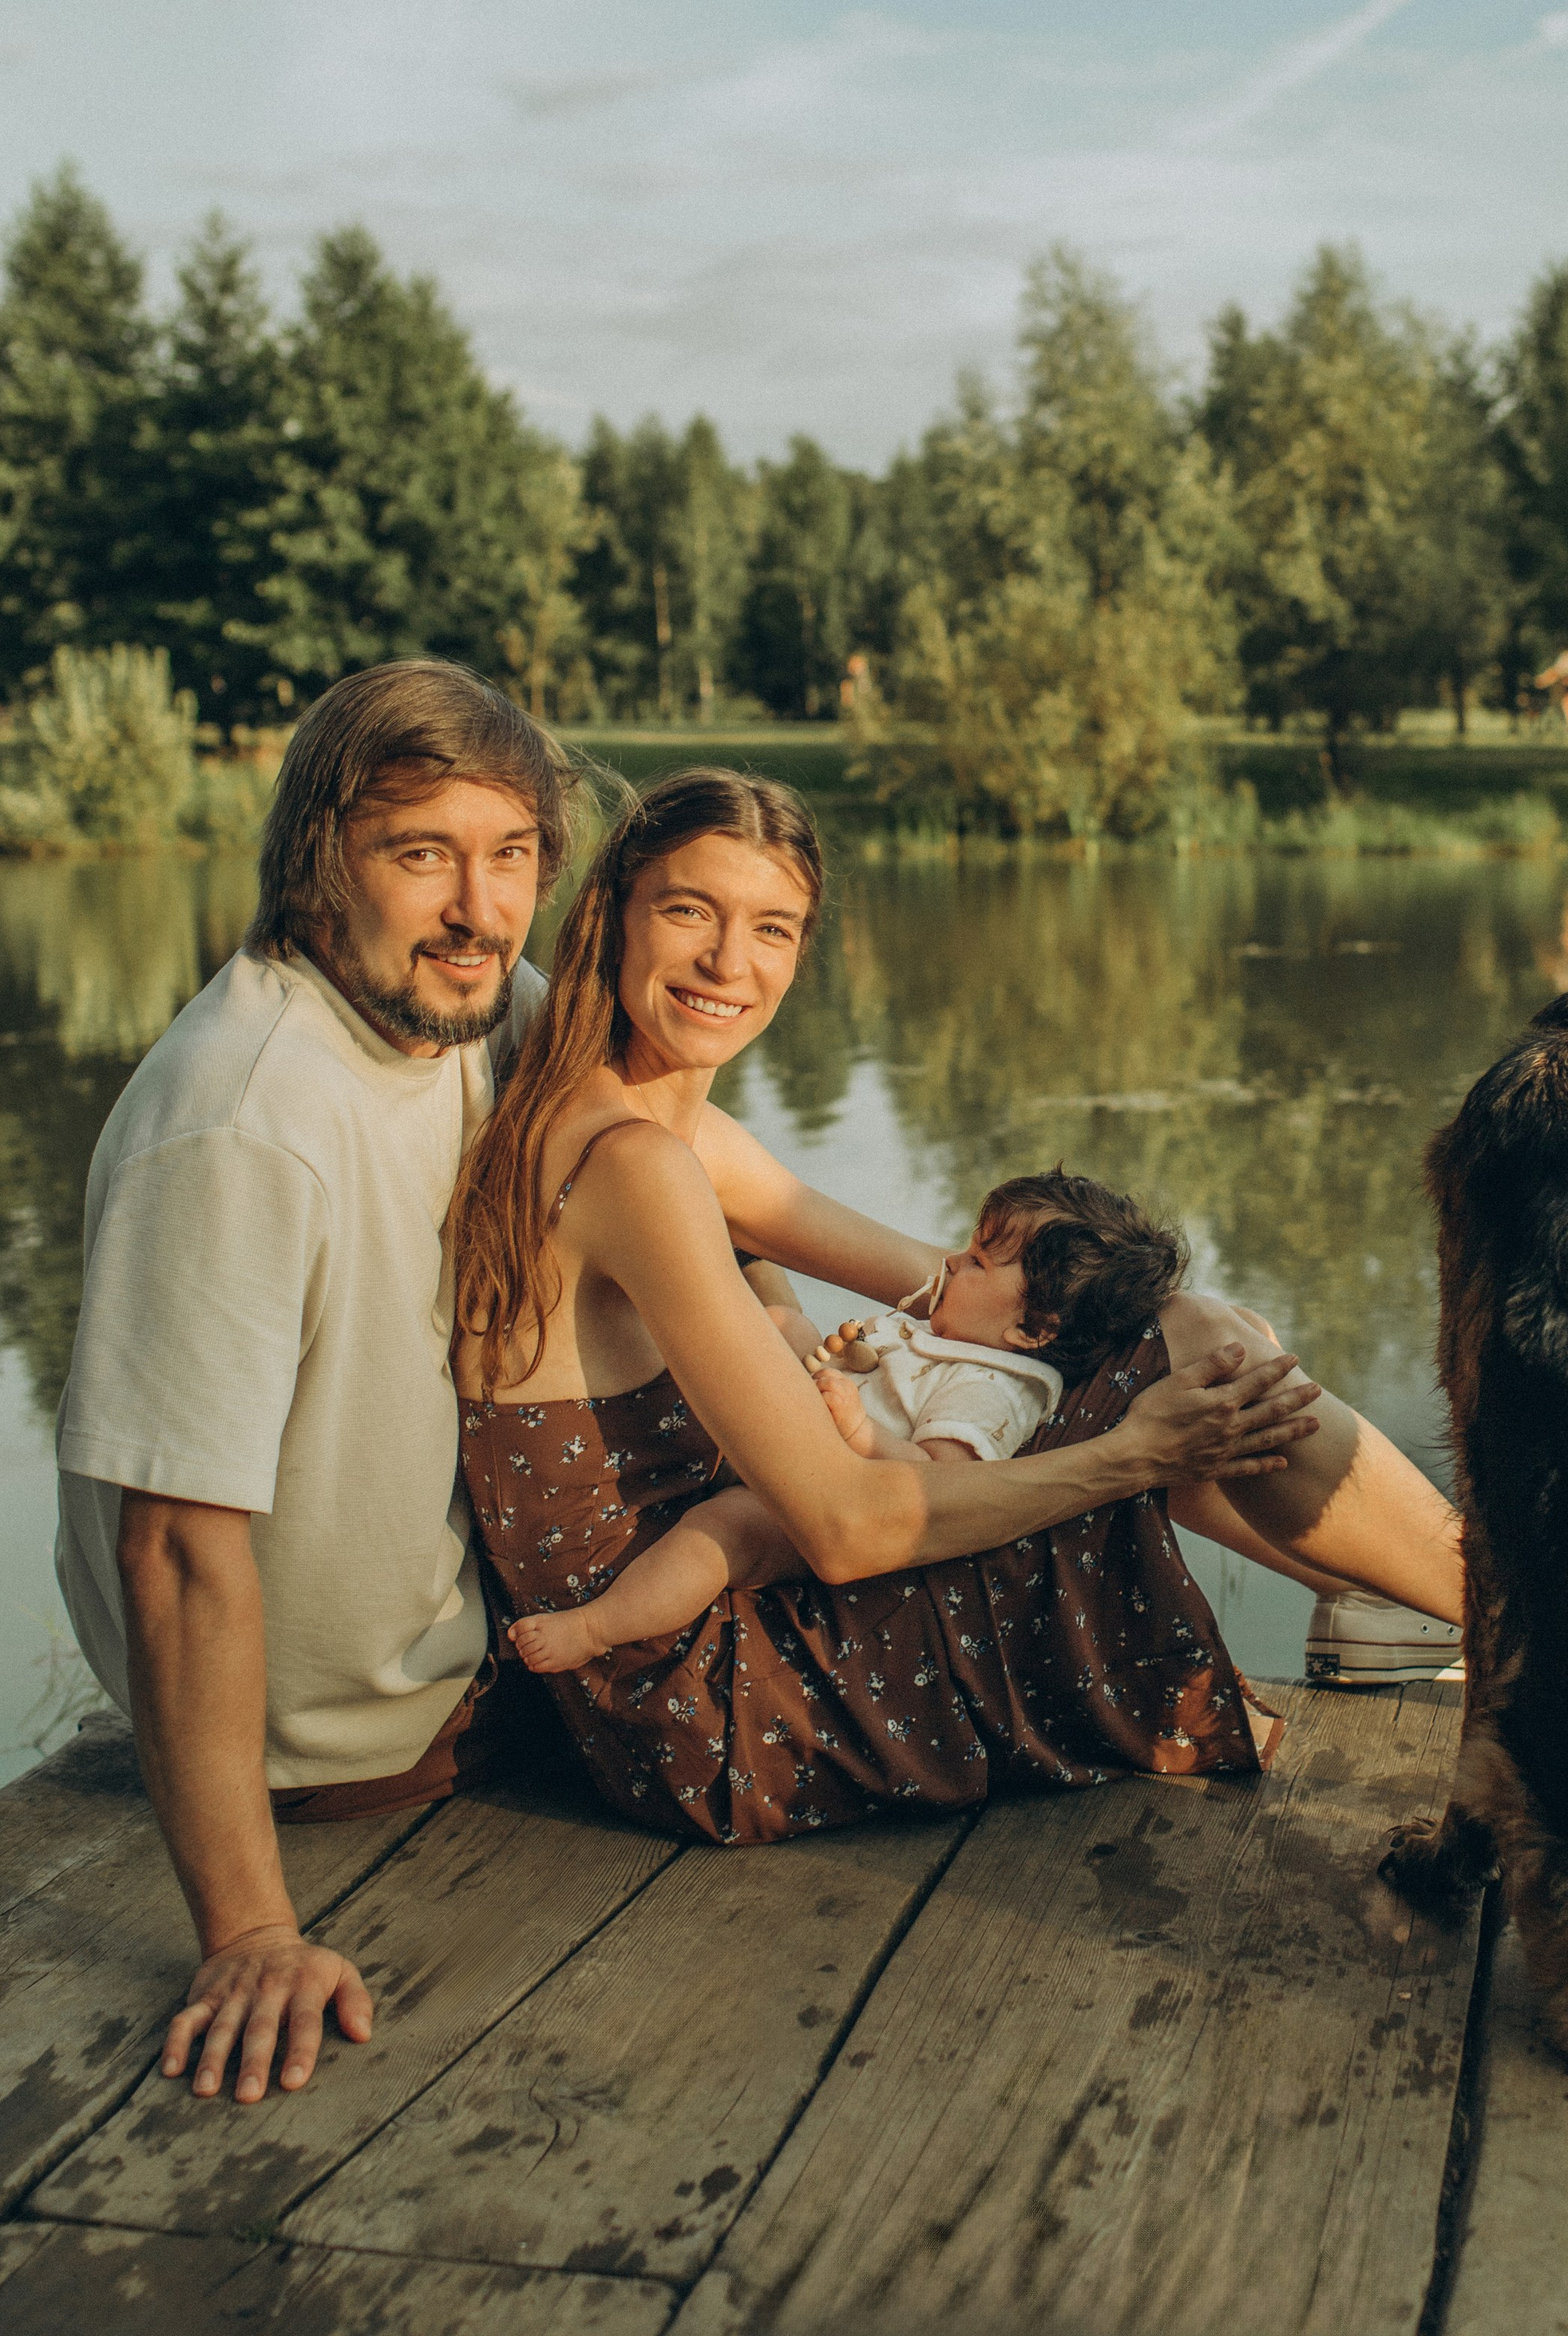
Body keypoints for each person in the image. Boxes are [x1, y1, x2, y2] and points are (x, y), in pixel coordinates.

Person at [449, 767, 1466, 1843]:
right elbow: (843, 1529)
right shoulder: (635, 1162)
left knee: (1173, 1345)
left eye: (773, 928)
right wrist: (1135, 1450)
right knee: (1175, 1367)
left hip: (706, 1620)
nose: (729, 964)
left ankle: (1414, 1597)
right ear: (612, 917)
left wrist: (1145, 1328)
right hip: (706, 1691)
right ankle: (1535, 1623)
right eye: (689, 911)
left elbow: (947, 1284)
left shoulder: (652, 1126)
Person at [53, 661, 578, 2108]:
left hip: (485, 1667)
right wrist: (253, 1933)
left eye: (512, 855)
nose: (479, 908)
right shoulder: (238, 1123)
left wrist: (935, 1284)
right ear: (316, 865)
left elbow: (674, 1161)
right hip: (364, 1763)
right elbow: (169, 1544)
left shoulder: (467, 1001)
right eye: (422, 855)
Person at [504, 1168, 1180, 1677]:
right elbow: (886, 1380)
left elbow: (941, 1484)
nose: (949, 1262)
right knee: (783, 1323)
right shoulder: (962, 1339)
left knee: (722, 1529)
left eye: (977, 1261)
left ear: (1032, 1328)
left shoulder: (994, 1388)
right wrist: (850, 1355)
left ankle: (598, 1626)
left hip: (826, 1507)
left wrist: (860, 1432)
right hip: (809, 1448)